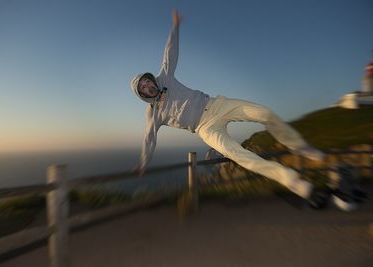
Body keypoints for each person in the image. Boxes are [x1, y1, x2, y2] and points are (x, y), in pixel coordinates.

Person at [130, 9, 356, 211]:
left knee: (265, 114)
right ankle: (299, 186)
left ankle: (306, 150)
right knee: (241, 156)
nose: (148, 86)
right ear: (142, 95)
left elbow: (170, 53)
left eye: (147, 82)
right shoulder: (153, 113)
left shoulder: (165, 77)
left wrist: (175, 26)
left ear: (151, 79)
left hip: (218, 104)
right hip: (205, 129)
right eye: (143, 89)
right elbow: (149, 139)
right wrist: (143, 162)